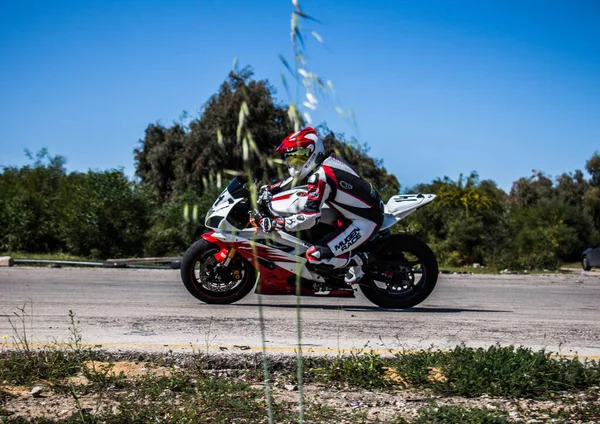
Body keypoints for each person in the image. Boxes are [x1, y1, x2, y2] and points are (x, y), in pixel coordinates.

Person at [258, 126, 384, 284]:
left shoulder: (320, 177)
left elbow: (310, 218)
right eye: (291, 158)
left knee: (315, 255)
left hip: (364, 221)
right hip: (353, 212)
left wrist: (279, 223)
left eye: (299, 156)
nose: (293, 163)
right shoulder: (326, 162)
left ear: (312, 152)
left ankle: (359, 260)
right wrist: (270, 188)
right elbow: (293, 180)